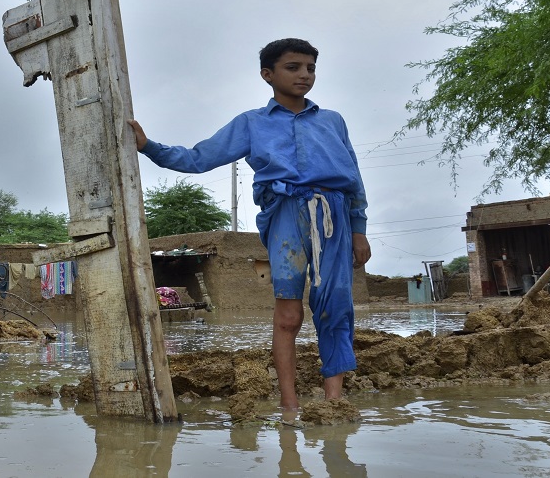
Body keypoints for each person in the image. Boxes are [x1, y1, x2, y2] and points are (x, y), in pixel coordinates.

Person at [127, 38, 371, 410]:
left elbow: (353, 178)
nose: (304, 75)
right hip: (285, 215)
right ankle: (289, 406)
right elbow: (199, 158)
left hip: (334, 216)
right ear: (267, 75)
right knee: (288, 314)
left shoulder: (332, 121)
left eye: (311, 68)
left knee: (336, 307)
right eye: (294, 67)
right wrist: (150, 147)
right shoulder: (252, 123)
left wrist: (359, 230)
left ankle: (333, 401)